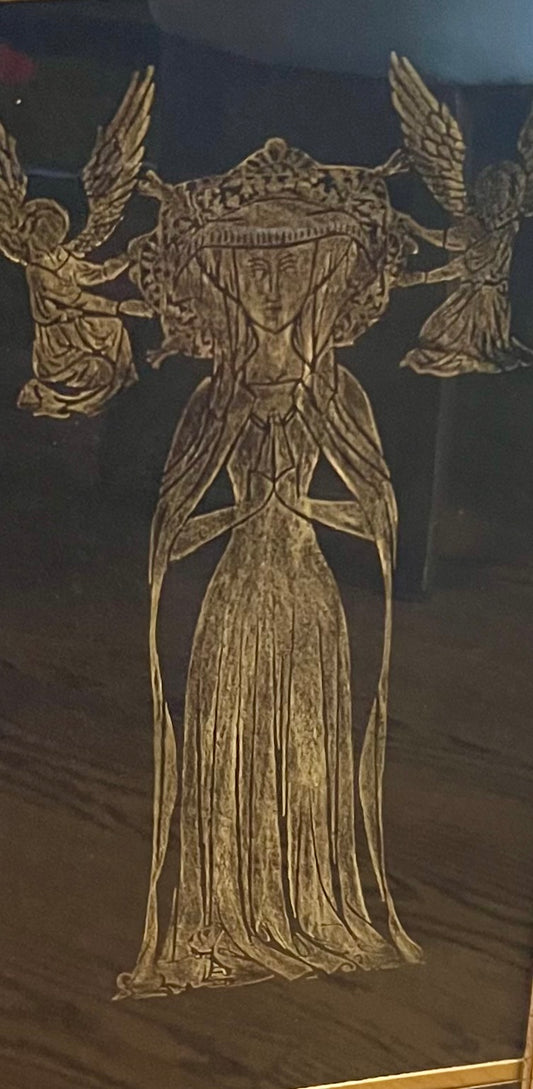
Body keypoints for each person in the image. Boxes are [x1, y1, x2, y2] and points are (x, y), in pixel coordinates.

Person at [116, 139, 422, 998]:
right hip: (236, 596)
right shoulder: (211, 400)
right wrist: (242, 513)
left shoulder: (340, 396)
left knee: (305, 751)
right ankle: (220, 916)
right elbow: (169, 529)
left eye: (293, 277)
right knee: (228, 749)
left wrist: (302, 508)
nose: (275, 297)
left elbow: (379, 519)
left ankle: (311, 905)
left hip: (309, 595)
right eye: (255, 278)